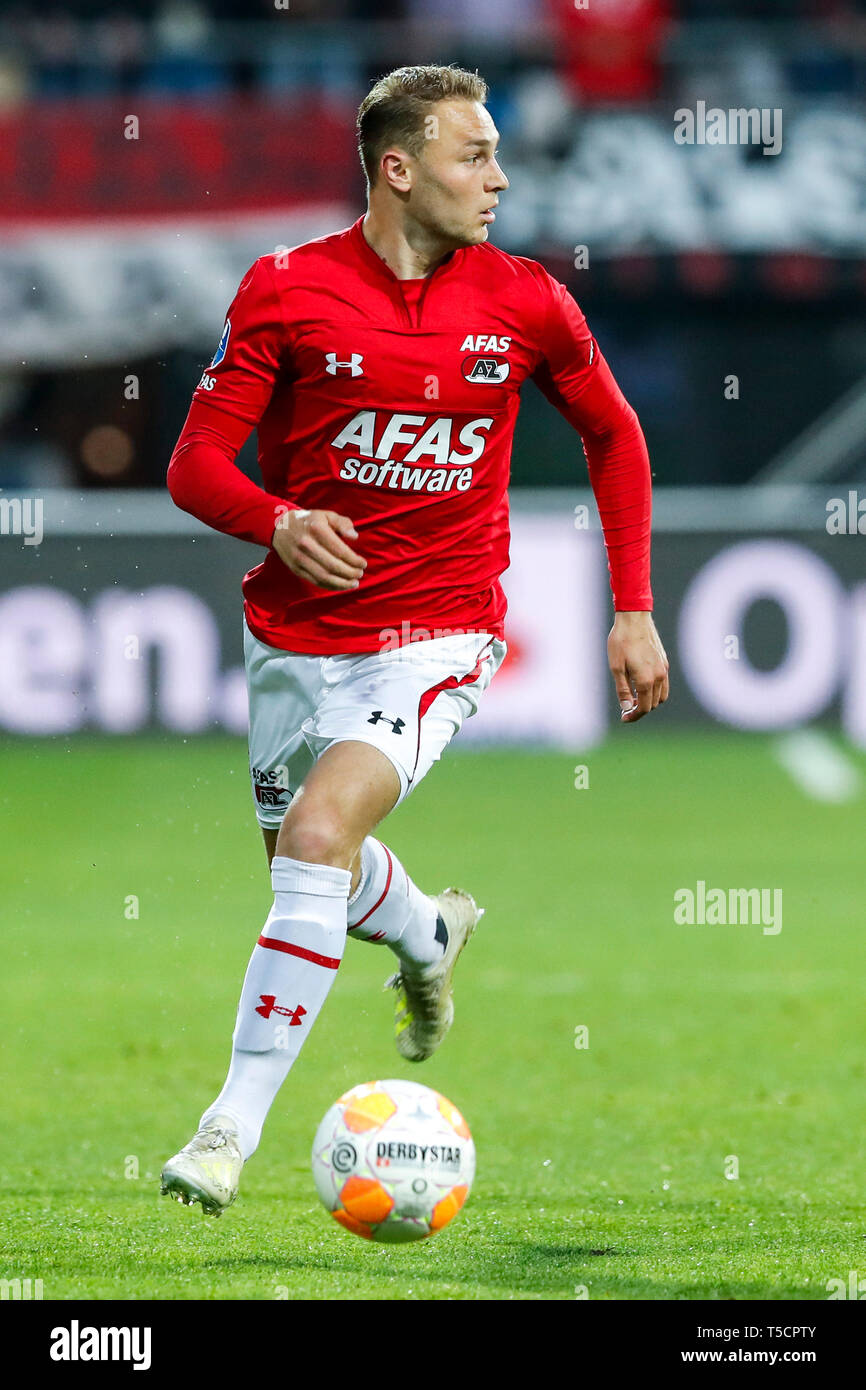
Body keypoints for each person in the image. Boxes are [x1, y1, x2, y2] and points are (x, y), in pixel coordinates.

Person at [161, 63, 669, 1216]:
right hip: (295, 636)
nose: (496, 179)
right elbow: (196, 463)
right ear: (398, 170)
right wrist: (277, 520)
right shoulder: (287, 290)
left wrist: (630, 602)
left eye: (493, 156)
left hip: (436, 633)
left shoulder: (526, 300)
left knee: (320, 830)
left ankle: (225, 1132)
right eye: (471, 156)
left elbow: (613, 432)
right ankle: (428, 930)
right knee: (314, 865)